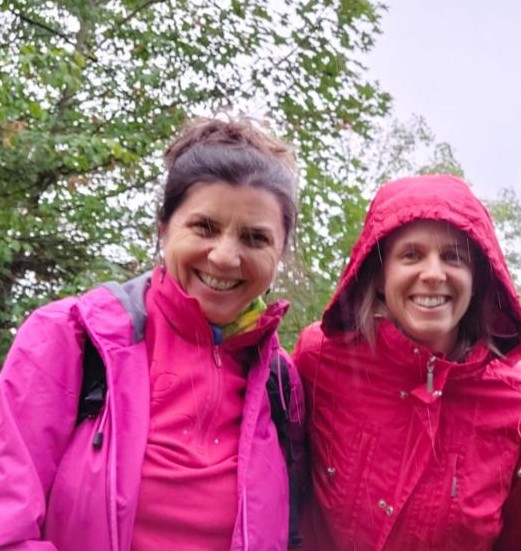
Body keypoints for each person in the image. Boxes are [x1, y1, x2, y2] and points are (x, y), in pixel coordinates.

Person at [0, 116, 305, 551]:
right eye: (205, 227)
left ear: (280, 253)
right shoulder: (71, 339)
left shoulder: (279, 383)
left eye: (255, 238)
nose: (224, 256)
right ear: (164, 227)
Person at [293, 174, 521, 551]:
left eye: (453, 257)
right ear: (379, 275)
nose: (433, 274)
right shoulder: (319, 359)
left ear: (478, 277)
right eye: (411, 254)